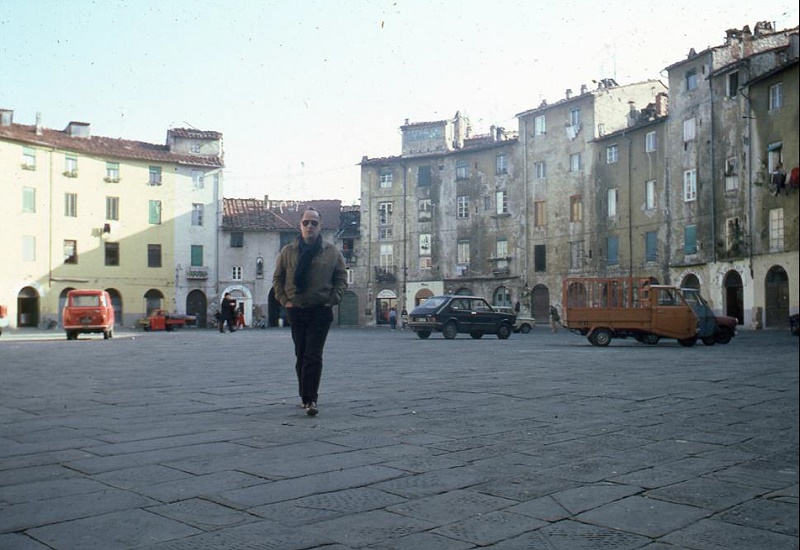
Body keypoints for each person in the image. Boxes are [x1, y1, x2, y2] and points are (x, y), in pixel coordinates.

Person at [273, 207, 347, 416]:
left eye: (314, 223)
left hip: (320, 310)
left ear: (320, 226)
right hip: (296, 310)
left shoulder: (332, 252)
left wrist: (332, 300)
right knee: (301, 353)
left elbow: (341, 278)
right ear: (300, 226)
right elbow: (278, 278)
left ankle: (311, 399)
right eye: (306, 223)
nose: (310, 226)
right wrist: (285, 301)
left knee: (313, 354)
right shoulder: (288, 251)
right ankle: (304, 395)